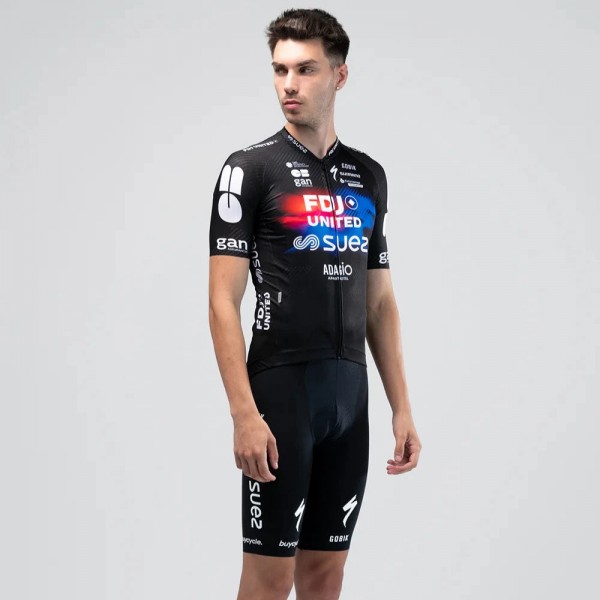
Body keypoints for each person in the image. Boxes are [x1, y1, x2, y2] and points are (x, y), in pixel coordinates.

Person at [208, 8, 422, 600]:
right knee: (269, 579)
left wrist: (402, 408)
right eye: (279, 70)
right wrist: (243, 414)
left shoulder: (368, 175)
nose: (289, 84)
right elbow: (222, 301)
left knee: (327, 576)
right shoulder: (250, 169)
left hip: (349, 396)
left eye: (305, 69)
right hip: (281, 393)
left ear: (339, 75)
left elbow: (380, 302)